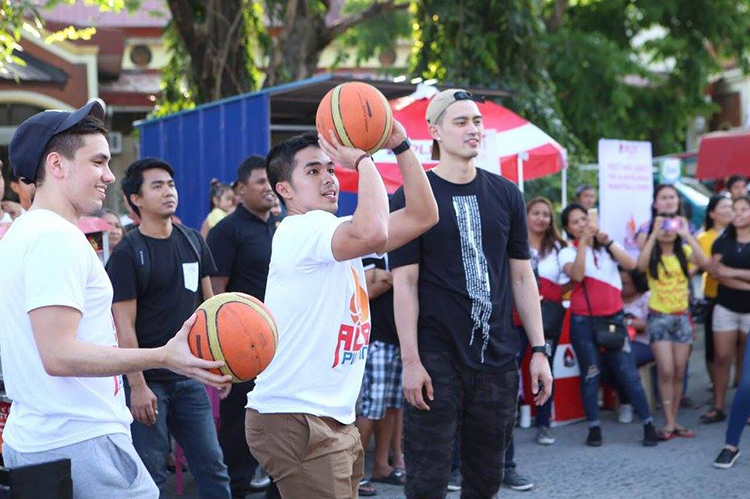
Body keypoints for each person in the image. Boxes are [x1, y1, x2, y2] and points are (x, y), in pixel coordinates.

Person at [0, 102, 230, 498]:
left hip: (49, 438)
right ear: (57, 165)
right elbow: (59, 355)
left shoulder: (25, 233)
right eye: (98, 162)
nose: (110, 175)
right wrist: (163, 356)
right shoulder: (54, 238)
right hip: (80, 441)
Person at [245, 121, 438, 498]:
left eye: (331, 168)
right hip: (297, 416)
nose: (329, 177)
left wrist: (401, 146)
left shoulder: (330, 233)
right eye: (313, 171)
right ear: (284, 190)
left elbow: (423, 215)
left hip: (329, 417)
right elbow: (375, 232)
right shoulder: (302, 229)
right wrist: (364, 161)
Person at [389, 89, 552, 499]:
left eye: (477, 121)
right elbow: (404, 283)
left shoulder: (507, 194)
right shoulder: (412, 194)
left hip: (496, 357)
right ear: (435, 132)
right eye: (461, 121)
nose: (473, 129)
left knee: (485, 480)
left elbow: (521, 278)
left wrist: (539, 349)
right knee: (426, 481)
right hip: (435, 356)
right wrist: (410, 360)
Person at [107, 157, 232, 497]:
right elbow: (124, 327)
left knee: (213, 466)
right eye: (157, 186)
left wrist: (219, 365)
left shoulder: (193, 240)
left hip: (189, 377)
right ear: (136, 199)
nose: (168, 192)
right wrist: (138, 386)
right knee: (151, 476)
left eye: (171, 184)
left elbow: (210, 310)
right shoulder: (127, 253)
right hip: (150, 382)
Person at [207, 154, 278, 498]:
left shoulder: (278, 226)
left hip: (277, 344)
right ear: (240, 188)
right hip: (240, 348)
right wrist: (221, 352)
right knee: (237, 424)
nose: (269, 188)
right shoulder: (226, 231)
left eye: (271, 181)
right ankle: (235, 484)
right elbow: (215, 296)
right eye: (261, 181)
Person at [559, 203, 659, 447]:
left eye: (584, 219)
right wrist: (583, 244)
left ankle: (648, 423)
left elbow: (632, 265)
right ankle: (594, 428)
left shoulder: (608, 248)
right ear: (568, 229)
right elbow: (577, 276)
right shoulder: (566, 252)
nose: (582, 224)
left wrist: (609, 242)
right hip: (583, 321)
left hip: (613, 319)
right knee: (591, 374)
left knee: (628, 373)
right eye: (576, 222)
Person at [637, 214, 708, 440]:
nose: (668, 230)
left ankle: (673, 420)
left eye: (671, 225)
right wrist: (653, 235)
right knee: (666, 370)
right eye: (663, 226)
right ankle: (668, 421)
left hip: (682, 317)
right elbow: (639, 265)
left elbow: (704, 262)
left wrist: (687, 234)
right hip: (659, 317)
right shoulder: (653, 255)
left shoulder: (683, 253)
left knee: (678, 371)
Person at [355, 254, 406, 497]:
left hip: (398, 340)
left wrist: (383, 277)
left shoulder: (401, 247)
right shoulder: (369, 249)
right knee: (370, 409)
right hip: (375, 339)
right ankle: (353, 475)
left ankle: (381, 467)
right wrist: (396, 277)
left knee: (391, 407)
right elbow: (365, 291)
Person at [525, 197, 570, 446]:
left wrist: (554, 293)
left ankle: (543, 423)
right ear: (526, 215)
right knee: (511, 369)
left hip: (547, 319)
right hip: (517, 317)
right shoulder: (515, 241)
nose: (541, 218)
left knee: (545, 369)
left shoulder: (558, 247)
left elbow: (570, 279)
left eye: (546, 214)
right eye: (536, 213)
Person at [702, 195, 750, 425]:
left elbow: (725, 272)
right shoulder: (722, 241)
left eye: (744, 209)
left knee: (748, 362)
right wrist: (737, 278)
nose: (738, 213)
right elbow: (716, 272)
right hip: (726, 306)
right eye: (735, 209)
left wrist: (733, 273)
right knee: (722, 357)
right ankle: (719, 405)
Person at [697, 194, 734, 393]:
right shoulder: (704, 238)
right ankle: (717, 387)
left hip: (742, 298)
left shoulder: (742, 234)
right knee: (715, 350)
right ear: (712, 213)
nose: (729, 210)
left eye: (731, 206)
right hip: (714, 297)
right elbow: (708, 267)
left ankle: (738, 385)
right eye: (724, 207)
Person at [620, 268, 654, 368]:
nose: (620, 286)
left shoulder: (647, 297)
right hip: (618, 342)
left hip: (644, 343)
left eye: (624, 283)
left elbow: (651, 325)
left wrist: (628, 322)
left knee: (623, 359)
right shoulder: (614, 299)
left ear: (636, 283)